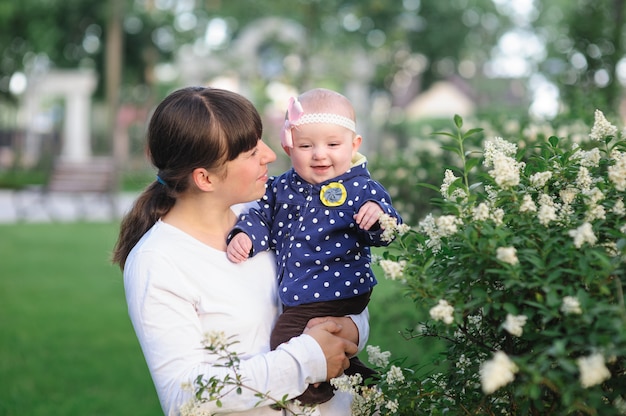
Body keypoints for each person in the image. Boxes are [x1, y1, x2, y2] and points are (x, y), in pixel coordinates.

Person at [112, 86, 370, 416]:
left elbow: (339, 287)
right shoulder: (159, 262)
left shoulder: (268, 216)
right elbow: (185, 396)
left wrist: (354, 329)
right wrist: (309, 359)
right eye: (250, 152)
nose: (271, 154)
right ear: (205, 178)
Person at [226, 88, 403, 405]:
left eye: (333, 144)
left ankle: (312, 394)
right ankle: (359, 378)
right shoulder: (282, 186)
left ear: (354, 145)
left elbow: (388, 230)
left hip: (336, 288)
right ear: (289, 147)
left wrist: (377, 217)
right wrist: (245, 234)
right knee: (315, 337)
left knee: (286, 338)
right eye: (306, 146)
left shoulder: (361, 188)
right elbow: (261, 214)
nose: (319, 154)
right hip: (305, 291)